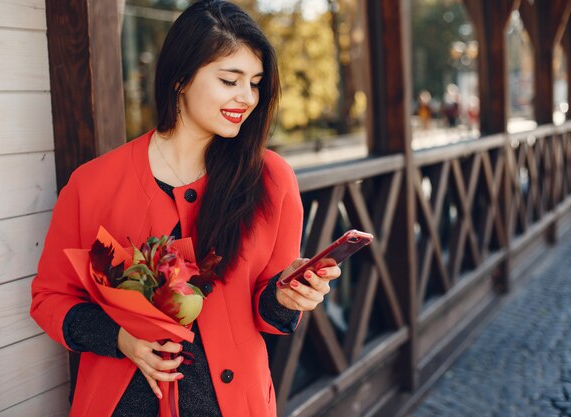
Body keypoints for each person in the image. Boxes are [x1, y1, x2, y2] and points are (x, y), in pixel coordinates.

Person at [30, 1, 341, 417]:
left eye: (255, 82)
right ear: (180, 78)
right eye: (230, 80)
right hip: (122, 405)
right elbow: (49, 299)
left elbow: (268, 314)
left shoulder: (272, 179)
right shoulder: (92, 184)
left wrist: (289, 296)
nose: (246, 98)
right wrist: (121, 338)